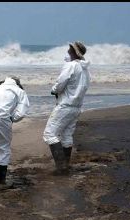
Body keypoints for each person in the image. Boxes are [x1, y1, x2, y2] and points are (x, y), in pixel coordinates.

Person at [43, 41, 90, 175]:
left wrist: (54, 90)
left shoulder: (70, 66)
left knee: (49, 134)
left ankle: (62, 167)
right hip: (77, 106)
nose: (68, 51)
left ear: (74, 52)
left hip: (65, 105)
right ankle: (66, 165)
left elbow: (60, 83)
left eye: (70, 49)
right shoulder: (85, 69)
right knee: (66, 135)